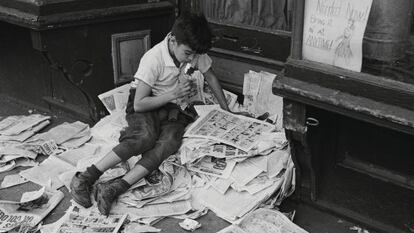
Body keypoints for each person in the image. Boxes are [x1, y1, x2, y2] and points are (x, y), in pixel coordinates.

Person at [70, 12, 230, 216]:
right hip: (146, 102)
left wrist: (227, 110)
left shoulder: (194, 52)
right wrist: (173, 93)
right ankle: (85, 177)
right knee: (145, 137)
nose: (192, 59)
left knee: (169, 142)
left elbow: (211, 78)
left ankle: (115, 188)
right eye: (187, 54)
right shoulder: (154, 59)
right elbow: (139, 104)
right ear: (172, 40)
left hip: (173, 107)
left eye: (194, 55)